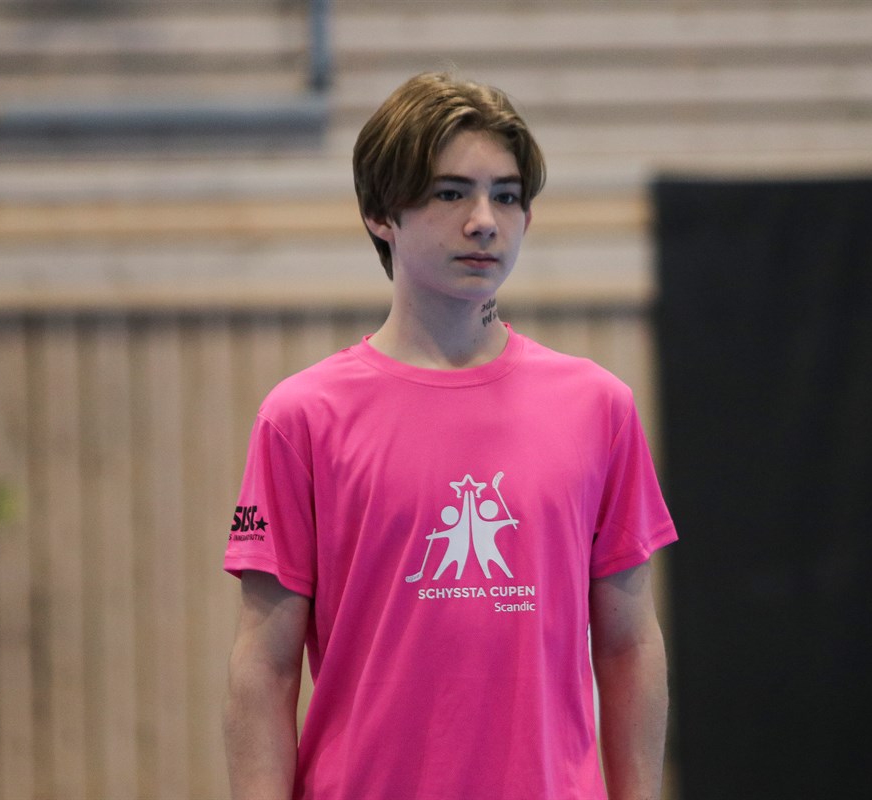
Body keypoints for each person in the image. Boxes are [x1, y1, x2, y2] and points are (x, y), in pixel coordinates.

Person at [222, 71, 677, 800]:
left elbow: (629, 646)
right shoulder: (302, 418)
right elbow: (264, 668)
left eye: (506, 195)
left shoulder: (599, 409)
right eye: (450, 193)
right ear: (381, 213)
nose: (484, 221)